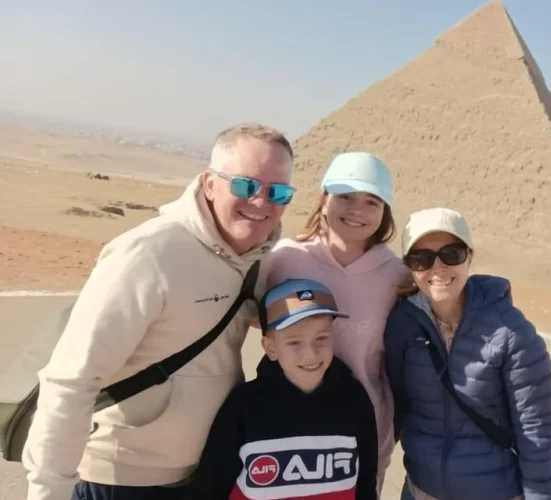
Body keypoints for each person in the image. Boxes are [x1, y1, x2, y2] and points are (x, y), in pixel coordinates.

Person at [22, 123, 295, 500]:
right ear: (210, 184)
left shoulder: (258, 261)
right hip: (122, 481)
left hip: (206, 472)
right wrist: (49, 492)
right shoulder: (149, 253)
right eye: (246, 186)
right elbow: (72, 380)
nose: (262, 203)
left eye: (278, 192)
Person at [384, 207, 551, 500]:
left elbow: (535, 433)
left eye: (451, 254)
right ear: (410, 267)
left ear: (470, 257)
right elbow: (397, 406)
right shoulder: (402, 324)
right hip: (421, 490)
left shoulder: (511, 330)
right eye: (422, 259)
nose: (438, 268)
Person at [264, 151, 409, 492]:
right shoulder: (284, 260)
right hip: (283, 432)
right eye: (346, 196)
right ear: (324, 199)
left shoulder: (398, 277)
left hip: (363, 436)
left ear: (385, 212)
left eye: (372, 202)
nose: (357, 210)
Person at [185, 278, 378, 500]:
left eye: (321, 338)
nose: (311, 354)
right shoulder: (244, 406)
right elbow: (211, 485)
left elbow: (365, 482)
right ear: (270, 348)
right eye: (294, 342)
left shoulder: (353, 398)